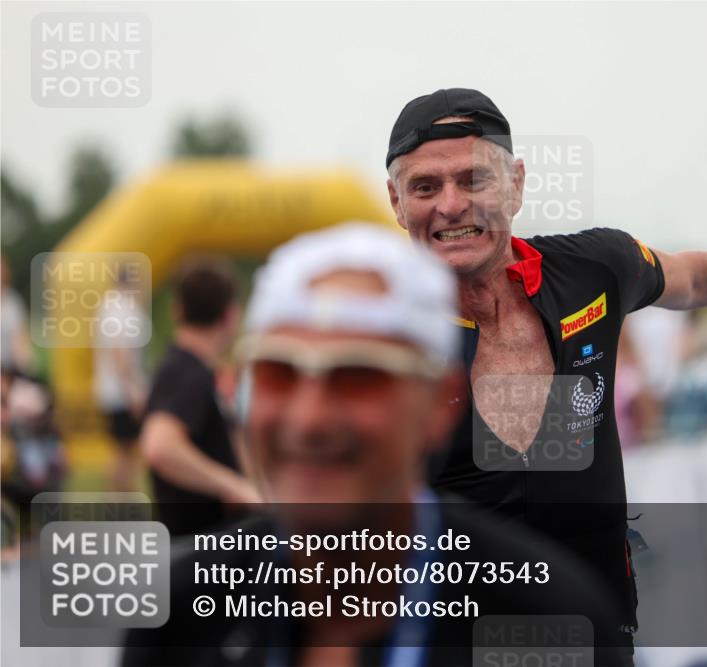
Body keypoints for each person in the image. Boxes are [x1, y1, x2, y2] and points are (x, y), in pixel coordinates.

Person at [384, 87, 707, 649]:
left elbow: (692, 278)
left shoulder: (591, 271)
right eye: (425, 187)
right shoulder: (382, 339)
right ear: (396, 202)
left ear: (516, 185)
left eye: (473, 179)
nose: (451, 205)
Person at [123, 224, 628, 666]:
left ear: (437, 405)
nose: (309, 419)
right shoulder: (181, 610)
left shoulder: (546, 617)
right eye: (279, 373)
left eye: (357, 376)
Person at [140, 258, 257, 536]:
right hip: (197, 546)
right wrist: (235, 486)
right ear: (230, 315)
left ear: (177, 310)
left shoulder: (191, 369)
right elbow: (159, 446)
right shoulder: (187, 372)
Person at [93, 268, 149, 491]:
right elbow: (120, 352)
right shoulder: (122, 310)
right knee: (124, 450)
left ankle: (120, 499)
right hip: (120, 392)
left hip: (111, 389)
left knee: (123, 449)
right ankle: (121, 500)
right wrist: (132, 389)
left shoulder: (108, 306)